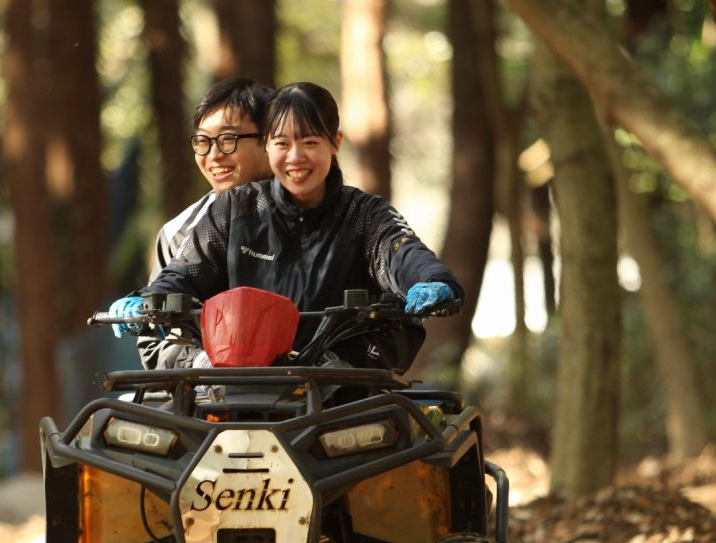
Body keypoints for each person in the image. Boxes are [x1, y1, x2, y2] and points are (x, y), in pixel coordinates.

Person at [113, 81, 463, 373]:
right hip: (234, 392)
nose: (295, 157)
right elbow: (184, 273)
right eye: (282, 143)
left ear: (335, 142)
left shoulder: (364, 214)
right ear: (267, 145)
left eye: (310, 142)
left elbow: (401, 252)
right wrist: (145, 301)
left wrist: (432, 280)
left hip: (340, 397)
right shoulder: (235, 208)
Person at [138, 77, 275, 370]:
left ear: (268, 140)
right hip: (207, 392)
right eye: (203, 141)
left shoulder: (317, 213)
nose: (213, 155)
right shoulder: (178, 232)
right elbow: (155, 341)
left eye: (228, 139)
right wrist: (202, 363)